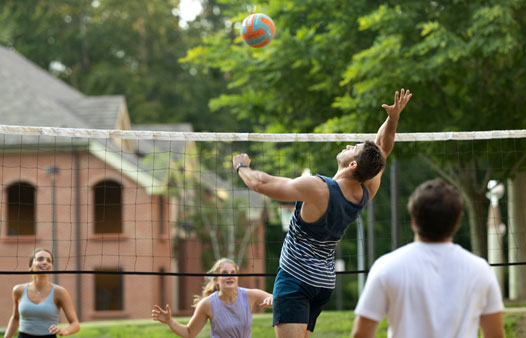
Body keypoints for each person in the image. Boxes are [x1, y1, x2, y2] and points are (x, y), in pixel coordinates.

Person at [232, 89, 412, 338]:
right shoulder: (366, 189)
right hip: (323, 283)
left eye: (354, 148)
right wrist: (393, 119)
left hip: (295, 278)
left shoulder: (318, 188)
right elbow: (383, 147)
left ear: (352, 164)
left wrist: (241, 166)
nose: (349, 145)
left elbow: (261, 184)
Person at [351, 178, 505, 338]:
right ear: (456, 223)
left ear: (414, 222)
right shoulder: (480, 270)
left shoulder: (387, 266)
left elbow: (361, 334)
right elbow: (495, 334)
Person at [152, 258, 272, 338]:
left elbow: (280, 299)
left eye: (233, 273)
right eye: (224, 273)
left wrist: (273, 300)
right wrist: (170, 321)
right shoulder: (207, 304)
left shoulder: (250, 295)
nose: (230, 276)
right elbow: (189, 333)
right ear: (216, 279)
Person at [4, 248, 80, 338]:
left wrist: (63, 331)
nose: (45, 262)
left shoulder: (60, 292)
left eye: (49, 261)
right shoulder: (18, 290)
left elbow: (75, 324)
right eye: (40, 259)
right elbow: (15, 318)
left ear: (51, 267)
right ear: (31, 266)